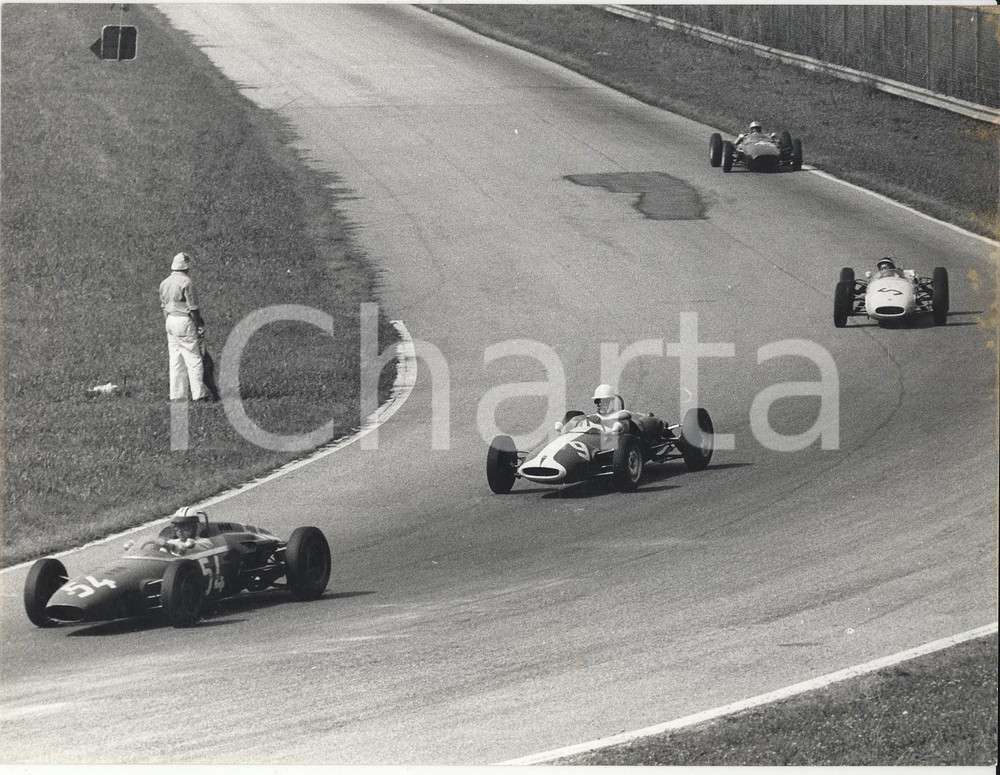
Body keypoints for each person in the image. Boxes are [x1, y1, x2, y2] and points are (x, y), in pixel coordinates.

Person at [159, 251, 211, 401]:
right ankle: (199, 395)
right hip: (184, 320)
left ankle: (177, 395)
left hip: (170, 320)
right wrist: (199, 324)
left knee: (176, 360)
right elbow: (193, 308)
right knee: (193, 358)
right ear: (186, 267)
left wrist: (168, 323)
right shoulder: (187, 283)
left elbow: (164, 306)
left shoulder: (164, 283)